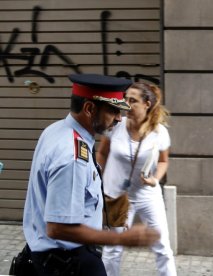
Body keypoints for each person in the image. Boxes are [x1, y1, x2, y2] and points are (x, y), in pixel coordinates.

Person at [23, 74, 160, 276]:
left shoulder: (57, 130)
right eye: (113, 110)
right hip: (68, 263)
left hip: (52, 257)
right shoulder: (72, 156)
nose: (119, 118)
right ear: (89, 109)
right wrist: (121, 239)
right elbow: (58, 228)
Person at [97, 82, 176, 276]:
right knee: (112, 249)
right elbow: (102, 154)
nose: (126, 104)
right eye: (125, 99)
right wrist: (98, 182)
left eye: (132, 101)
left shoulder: (159, 132)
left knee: (163, 246)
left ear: (146, 104)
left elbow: (164, 161)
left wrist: (155, 179)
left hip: (147, 195)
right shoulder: (115, 126)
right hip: (116, 196)